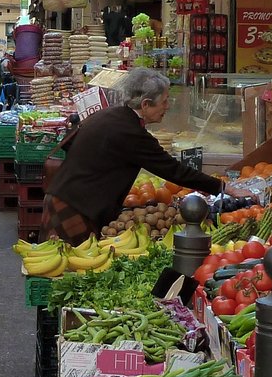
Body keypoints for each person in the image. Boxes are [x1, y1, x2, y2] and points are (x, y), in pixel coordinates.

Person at [42, 68, 226, 245]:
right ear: (145, 104)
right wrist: (221, 187)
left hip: (67, 198)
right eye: (164, 101)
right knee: (65, 264)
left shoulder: (114, 116)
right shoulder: (130, 132)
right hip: (75, 207)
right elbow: (173, 170)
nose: (167, 107)